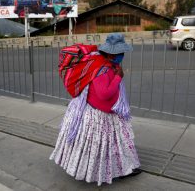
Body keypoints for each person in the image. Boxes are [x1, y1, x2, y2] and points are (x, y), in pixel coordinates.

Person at [50, 33, 141, 186]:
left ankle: (117, 169)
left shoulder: (103, 62)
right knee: (104, 145)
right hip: (98, 115)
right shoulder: (102, 68)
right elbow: (104, 94)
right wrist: (118, 77)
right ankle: (111, 170)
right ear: (112, 53)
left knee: (107, 145)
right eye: (120, 53)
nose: (122, 55)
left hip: (105, 111)